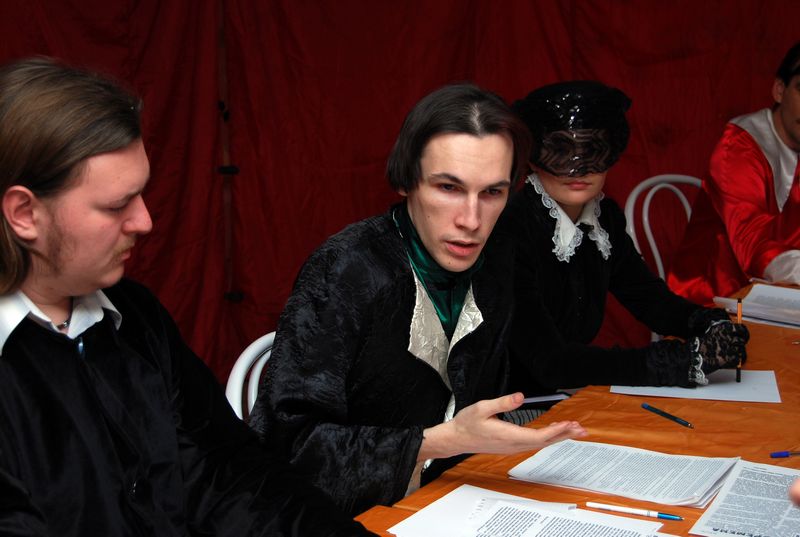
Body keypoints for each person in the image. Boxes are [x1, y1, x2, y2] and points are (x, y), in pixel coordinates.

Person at [0, 57, 374, 536]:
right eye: (117, 205)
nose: (145, 221)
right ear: (24, 213)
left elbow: (227, 475)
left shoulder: (135, 315)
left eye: (140, 195)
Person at [249, 83, 587, 516]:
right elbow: (287, 446)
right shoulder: (347, 269)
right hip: (330, 518)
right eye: (448, 187)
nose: (471, 221)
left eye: (492, 193)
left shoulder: (497, 261)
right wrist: (435, 442)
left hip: (455, 503)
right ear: (408, 180)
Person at [493, 81, 749, 403]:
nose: (579, 168)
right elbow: (552, 363)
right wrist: (676, 363)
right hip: (507, 403)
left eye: (593, 149)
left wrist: (705, 321)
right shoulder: (511, 229)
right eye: (560, 150)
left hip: (566, 391)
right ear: (532, 157)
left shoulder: (605, 219)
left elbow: (648, 298)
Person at [668, 42, 800, 305]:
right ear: (779, 90)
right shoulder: (739, 147)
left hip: (777, 295)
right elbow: (754, 247)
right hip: (715, 298)